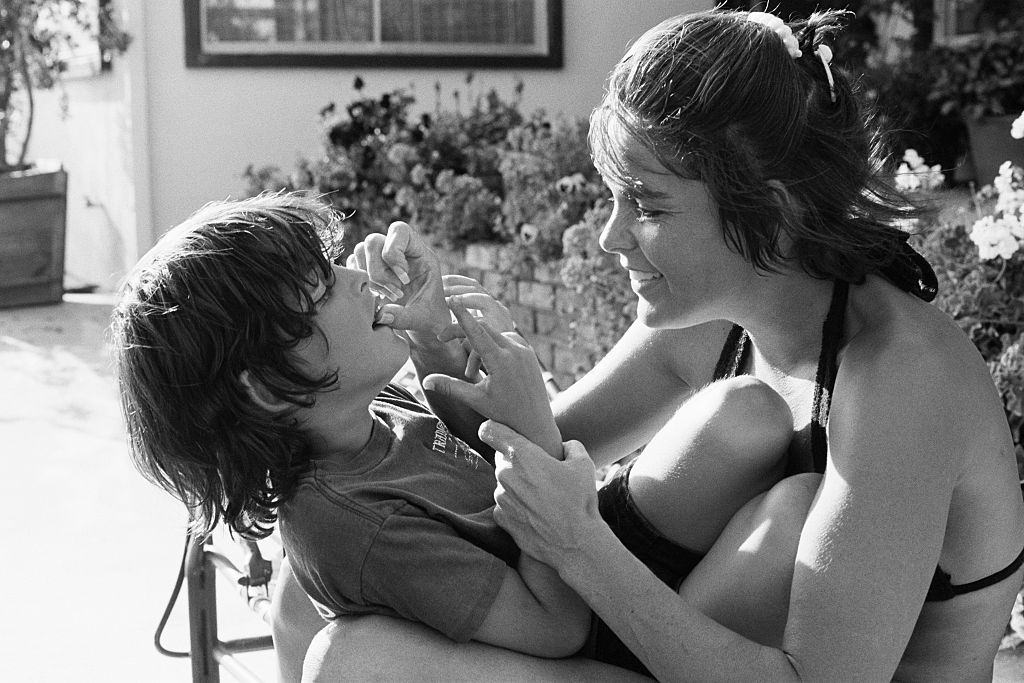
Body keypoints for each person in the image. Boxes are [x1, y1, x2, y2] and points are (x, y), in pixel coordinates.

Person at [298, 7, 1024, 682]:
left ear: (769, 210)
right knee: (310, 602)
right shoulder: (715, 319)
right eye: (612, 196)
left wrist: (582, 547)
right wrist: (432, 339)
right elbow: (525, 459)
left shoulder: (900, 380)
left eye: (644, 204)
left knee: (359, 658)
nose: (612, 236)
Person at [111, 192, 772, 680]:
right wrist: (530, 428)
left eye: (333, 262)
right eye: (321, 288)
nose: (352, 276)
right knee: (782, 499)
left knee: (749, 414)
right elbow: (555, 627)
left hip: (591, 569)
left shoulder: (366, 417)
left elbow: (467, 445)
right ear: (270, 385)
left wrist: (432, 335)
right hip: (589, 631)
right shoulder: (358, 527)